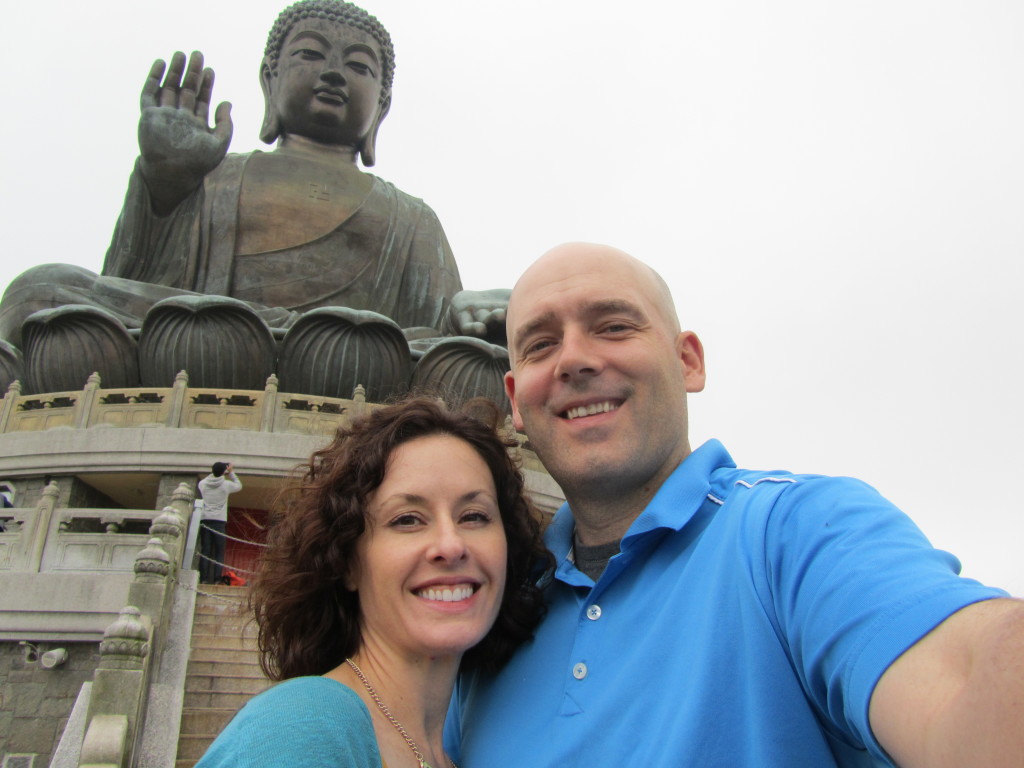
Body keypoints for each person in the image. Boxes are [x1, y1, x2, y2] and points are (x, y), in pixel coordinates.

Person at [445, 243, 1024, 767]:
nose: (573, 359)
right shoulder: (492, 608)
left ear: (689, 361)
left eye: (614, 326)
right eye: (542, 345)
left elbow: (962, 676)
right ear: (516, 400)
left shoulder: (796, 532)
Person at [197, 397, 552, 767]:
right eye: (408, 519)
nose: (451, 545)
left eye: (475, 516)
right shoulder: (306, 727)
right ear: (347, 562)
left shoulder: (452, 754)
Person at [197, 461, 242, 585]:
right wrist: (231, 472)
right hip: (219, 521)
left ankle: (203, 579)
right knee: (219, 551)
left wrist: (216, 473)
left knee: (205, 550)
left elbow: (206, 480)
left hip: (205, 520)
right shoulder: (226, 485)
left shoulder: (203, 484)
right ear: (224, 472)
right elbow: (238, 485)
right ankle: (217, 579)